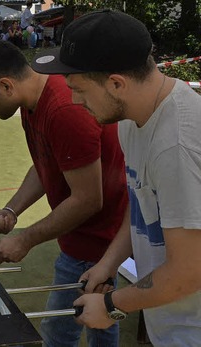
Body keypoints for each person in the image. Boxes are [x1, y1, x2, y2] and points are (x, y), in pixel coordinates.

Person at [31, 10, 201, 345]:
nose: (75, 101)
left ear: (116, 84)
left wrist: (110, 304)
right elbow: (140, 204)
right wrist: (108, 263)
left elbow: (189, 270)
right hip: (171, 318)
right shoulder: (131, 119)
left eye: (79, 90)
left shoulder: (176, 145)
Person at [0, 40, 128, 346]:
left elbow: (89, 199)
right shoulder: (33, 100)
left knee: (61, 334)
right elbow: (46, 163)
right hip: (85, 240)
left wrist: (25, 240)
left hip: (94, 244)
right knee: (100, 323)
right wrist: (12, 211)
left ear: (6, 85)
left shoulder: (64, 109)